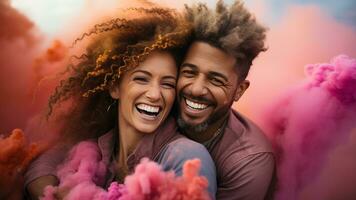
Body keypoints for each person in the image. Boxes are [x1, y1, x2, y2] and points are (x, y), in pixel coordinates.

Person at [24, 7, 216, 199]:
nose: (155, 94)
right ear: (115, 88)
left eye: (167, 84)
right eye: (141, 79)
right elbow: (41, 167)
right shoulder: (100, 146)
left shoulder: (187, 157)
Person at [176, 1, 275, 199]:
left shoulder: (248, 161)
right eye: (189, 72)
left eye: (215, 80)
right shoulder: (155, 106)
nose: (196, 89)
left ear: (239, 90)